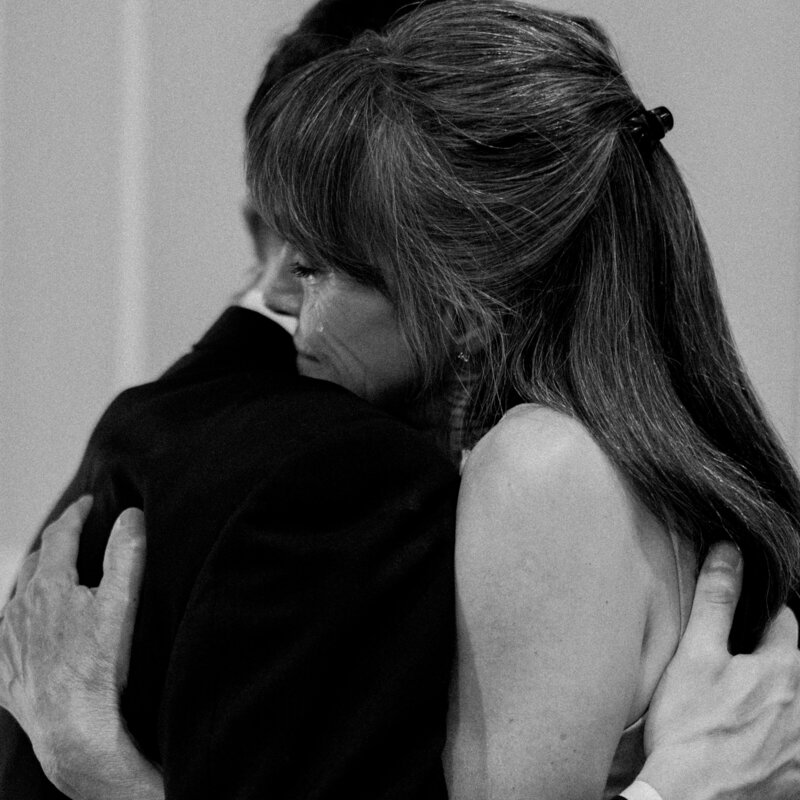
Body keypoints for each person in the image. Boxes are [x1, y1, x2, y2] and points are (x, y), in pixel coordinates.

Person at [3, 0, 800, 798]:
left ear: (467, 315)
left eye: (317, 269)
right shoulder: (648, 455)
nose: (290, 306)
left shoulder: (539, 468)